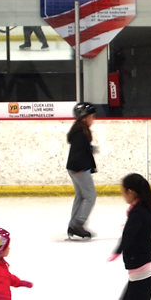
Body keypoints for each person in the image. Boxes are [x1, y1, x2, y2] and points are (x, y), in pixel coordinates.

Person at [66, 101, 99, 239]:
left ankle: (73, 224)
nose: (93, 119)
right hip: (79, 169)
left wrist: (90, 149)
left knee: (81, 196)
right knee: (90, 195)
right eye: (91, 116)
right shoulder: (80, 133)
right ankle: (78, 224)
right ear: (84, 118)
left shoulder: (80, 131)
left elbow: (80, 150)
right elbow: (77, 153)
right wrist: (80, 167)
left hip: (76, 168)